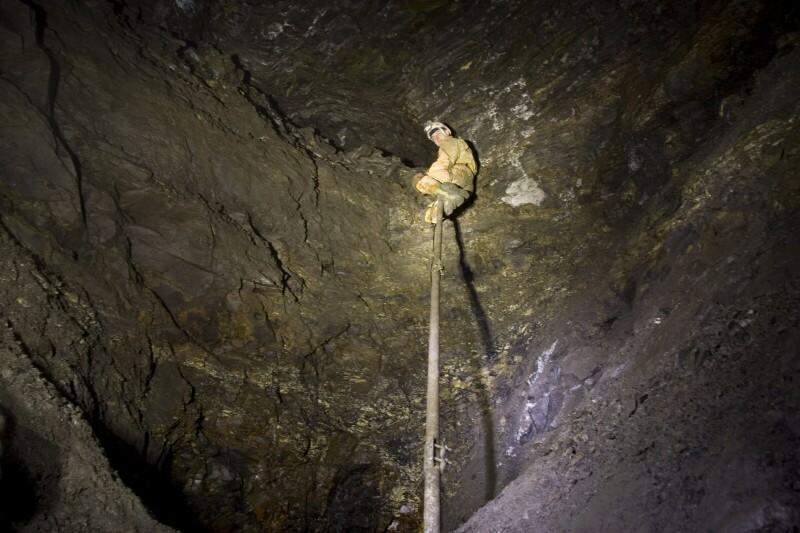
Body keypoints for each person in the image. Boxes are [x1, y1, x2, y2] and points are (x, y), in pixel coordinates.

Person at [412, 121, 477, 223]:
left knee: (418, 178)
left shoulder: (450, 142)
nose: (436, 138)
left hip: (459, 174)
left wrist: (428, 177)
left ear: (447, 131)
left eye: (438, 133)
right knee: (433, 213)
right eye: (433, 137)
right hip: (464, 184)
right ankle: (442, 203)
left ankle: (446, 195)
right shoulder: (451, 145)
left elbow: (445, 160)